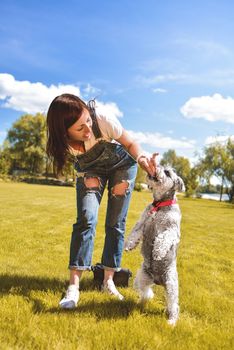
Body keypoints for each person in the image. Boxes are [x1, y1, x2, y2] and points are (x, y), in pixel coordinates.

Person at [46, 93, 156, 308]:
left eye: (88, 121)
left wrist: (142, 157)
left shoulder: (103, 118)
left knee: (116, 222)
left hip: (122, 166)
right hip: (91, 170)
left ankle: (108, 281)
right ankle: (73, 287)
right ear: (63, 132)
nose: (88, 130)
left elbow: (130, 142)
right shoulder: (61, 144)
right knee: (86, 218)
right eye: (79, 129)